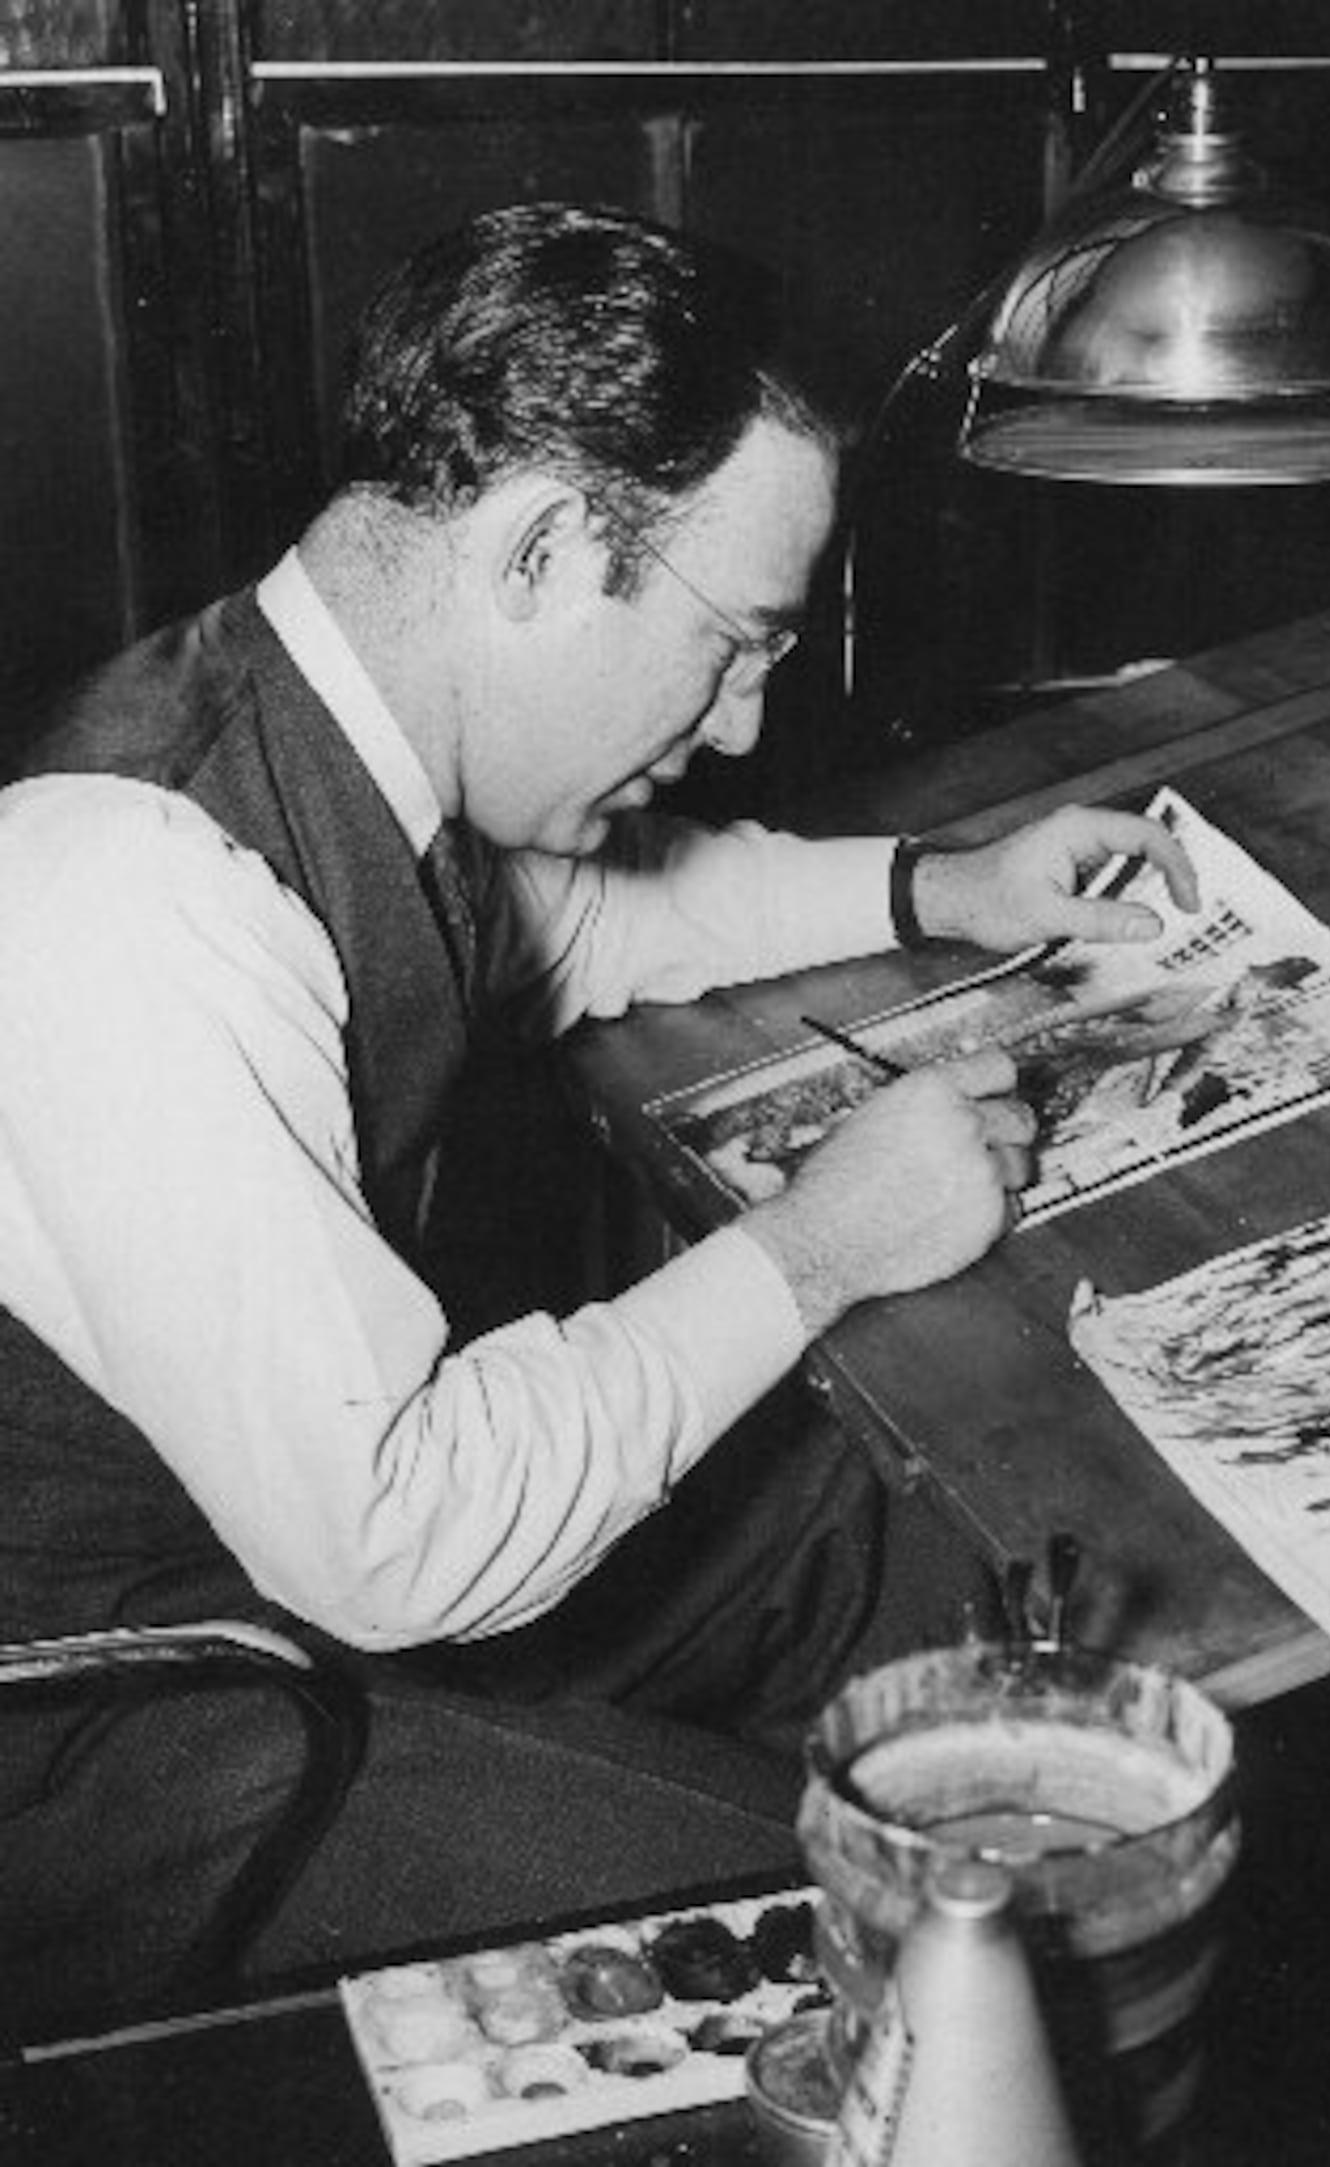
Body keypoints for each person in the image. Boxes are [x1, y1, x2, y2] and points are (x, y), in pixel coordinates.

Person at [0, 201, 1197, 2032]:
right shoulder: (130, 893)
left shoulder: (360, 736)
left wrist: (938, 890)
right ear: (546, 547)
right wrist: (820, 1247)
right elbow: (394, 1540)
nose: (733, 729)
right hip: (127, 1715)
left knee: (909, 1550)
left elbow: (601, 920)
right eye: (733, 647)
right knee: (893, 1954)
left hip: (272, 1576)